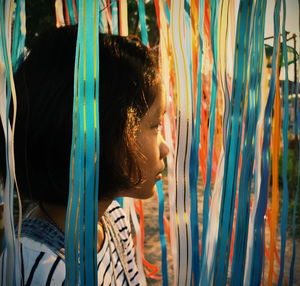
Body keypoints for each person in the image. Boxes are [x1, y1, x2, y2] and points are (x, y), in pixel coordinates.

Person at [0, 25, 169, 285]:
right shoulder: (45, 271)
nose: (166, 147)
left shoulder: (113, 218)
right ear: (100, 136)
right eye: (155, 126)